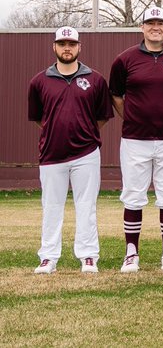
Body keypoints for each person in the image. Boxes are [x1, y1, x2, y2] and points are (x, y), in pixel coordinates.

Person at [109, 6, 163, 273]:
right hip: (135, 138)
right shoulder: (125, 59)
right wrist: (133, 117)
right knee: (133, 195)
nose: (155, 27)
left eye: (160, 23)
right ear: (142, 27)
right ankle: (131, 252)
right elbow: (116, 95)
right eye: (150, 23)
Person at [28, 26, 113, 274]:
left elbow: (102, 116)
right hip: (51, 154)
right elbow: (38, 118)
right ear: (54, 46)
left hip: (86, 153)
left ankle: (88, 256)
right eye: (62, 43)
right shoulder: (39, 81)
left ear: (79, 47)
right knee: (51, 206)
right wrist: (57, 130)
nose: (67, 48)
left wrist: (83, 131)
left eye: (72, 44)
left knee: (86, 205)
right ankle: (48, 257)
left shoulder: (95, 79)